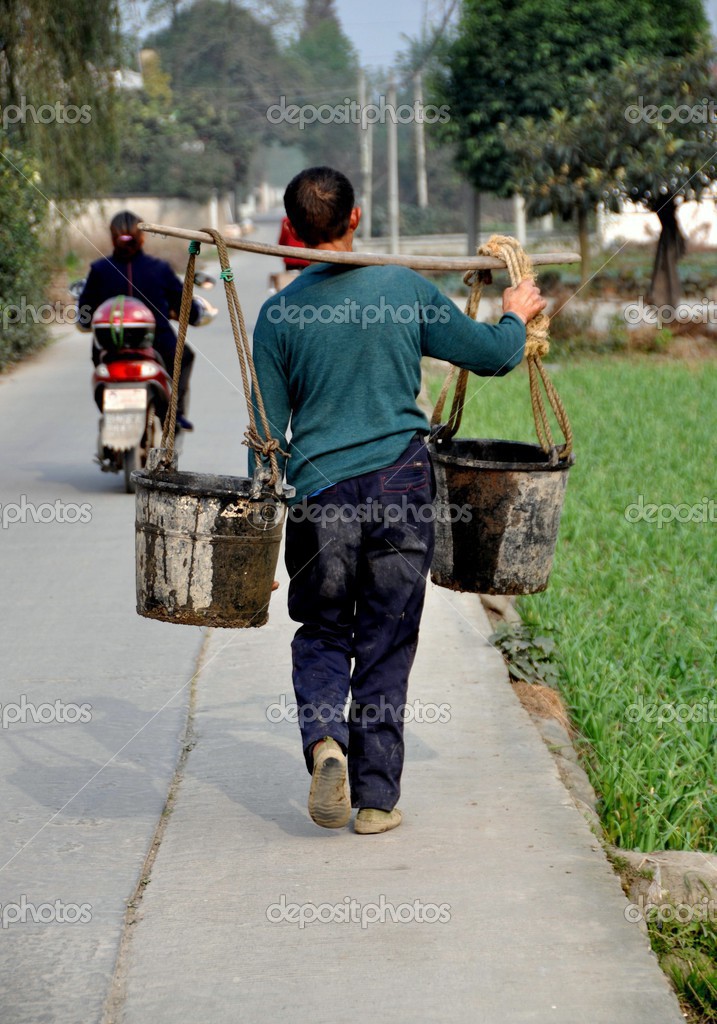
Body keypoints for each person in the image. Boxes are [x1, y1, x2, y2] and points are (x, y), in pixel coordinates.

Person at [251, 167, 545, 835]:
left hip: (320, 492)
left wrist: (256, 542)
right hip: (400, 482)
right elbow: (494, 356)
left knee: (324, 628)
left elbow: (267, 440)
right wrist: (514, 314)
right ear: (355, 220)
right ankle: (376, 801)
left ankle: (325, 740)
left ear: (291, 232)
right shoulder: (400, 287)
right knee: (387, 635)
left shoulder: (278, 315)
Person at [78, 211, 203, 430]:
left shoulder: (99, 270)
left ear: (112, 237)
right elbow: (186, 306)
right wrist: (193, 315)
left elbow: (85, 314)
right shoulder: (160, 269)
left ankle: (110, 407)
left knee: (97, 362)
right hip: (158, 344)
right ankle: (176, 415)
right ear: (142, 236)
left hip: (109, 346)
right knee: (185, 356)